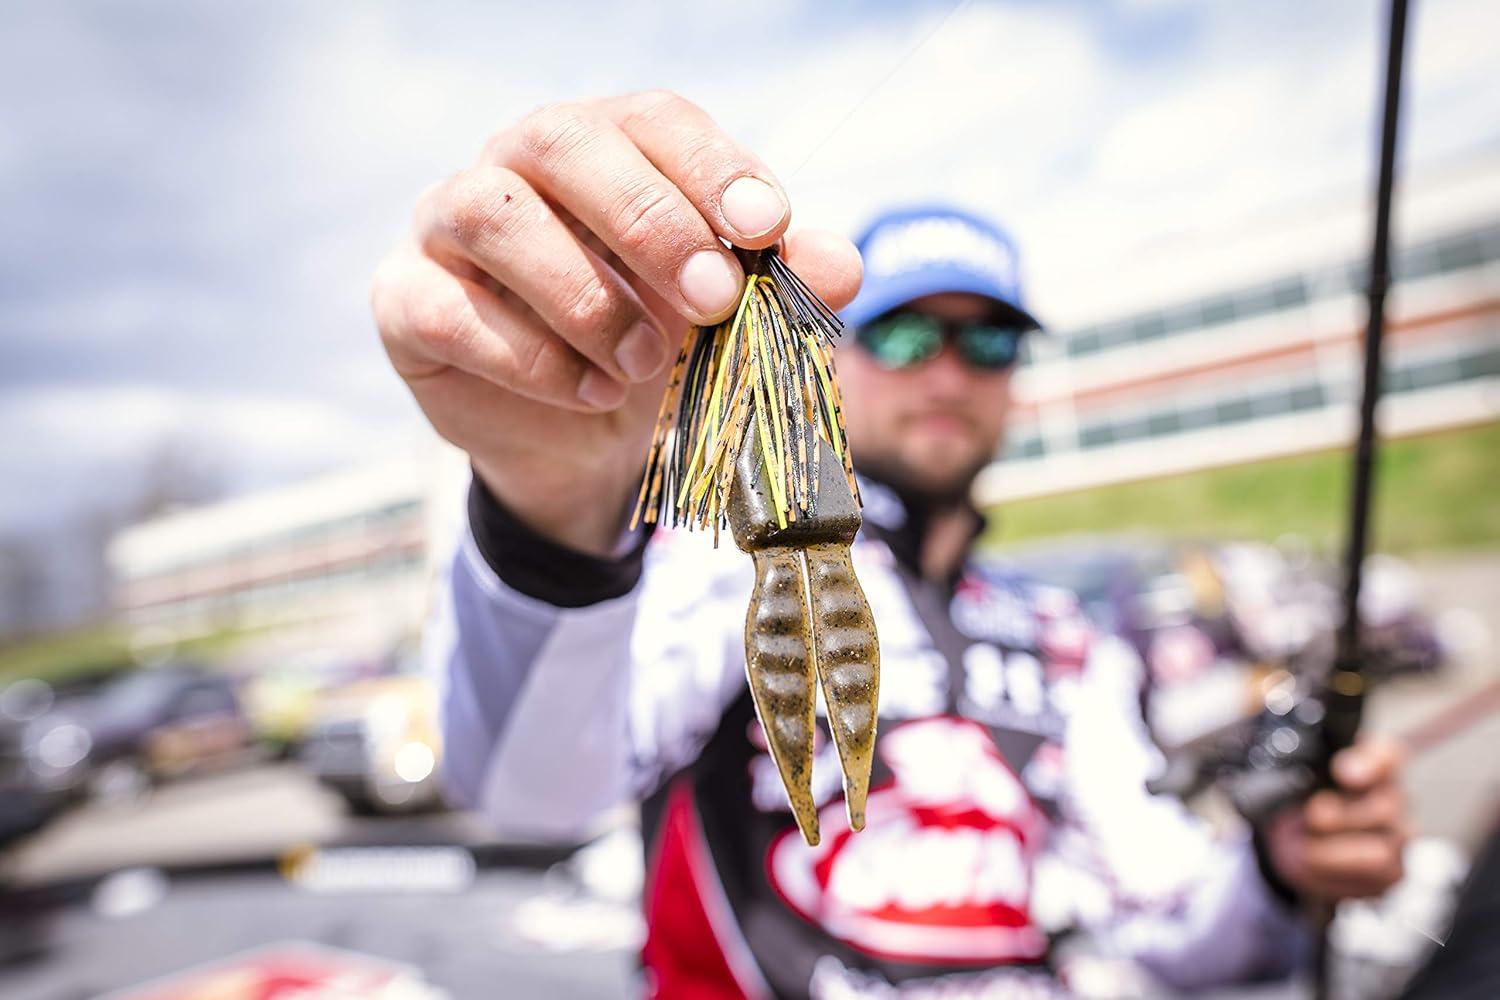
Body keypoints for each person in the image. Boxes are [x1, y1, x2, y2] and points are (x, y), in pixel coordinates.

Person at [371, 91, 1409, 997]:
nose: (948, 372)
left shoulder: (1070, 641)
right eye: (907, 335)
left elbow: (1171, 929)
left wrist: (1281, 868)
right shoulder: (730, 565)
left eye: (989, 340)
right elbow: (531, 793)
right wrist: (554, 519)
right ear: (833, 360)